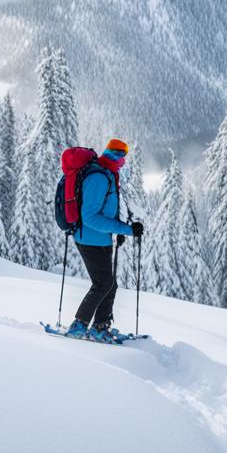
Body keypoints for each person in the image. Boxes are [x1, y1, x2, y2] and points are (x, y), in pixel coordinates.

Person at [67, 138, 144, 340]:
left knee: (109, 284)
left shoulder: (108, 173)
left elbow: (106, 210)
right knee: (103, 284)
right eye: (121, 155)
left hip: (100, 239)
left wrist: (118, 231)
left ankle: (100, 326)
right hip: (90, 239)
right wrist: (124, 229)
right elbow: (90, 217)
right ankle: (79, 325)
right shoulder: (99, 178)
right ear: (114, 156)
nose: (123, 160)